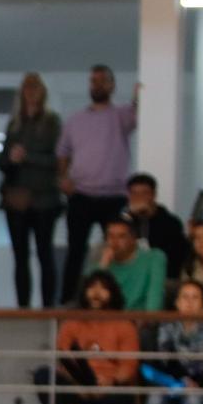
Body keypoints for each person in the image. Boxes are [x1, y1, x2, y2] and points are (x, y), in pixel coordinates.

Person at [34, 268, 138, 404]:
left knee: (118, 400)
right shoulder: (72, 323)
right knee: (43, 375)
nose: (97, 293)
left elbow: (129, 367)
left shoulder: (124, 325)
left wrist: (109, 381)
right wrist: (79, 383)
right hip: (78, 383)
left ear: (113, 293)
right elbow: (63, 361)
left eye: (103, 288)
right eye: (92, 287)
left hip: (111, 387)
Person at [57, 66, 138, 302]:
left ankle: (112, 300)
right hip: (81, 195)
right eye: (93, 80)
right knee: (75, 253)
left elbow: (141, 109)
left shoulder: (121, 116)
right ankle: (68, 304)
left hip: (114, 197)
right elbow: (62, 153)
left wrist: (140, 95)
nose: (97, 85)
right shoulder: (75, 121)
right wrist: (63, 178)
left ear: (112, 86)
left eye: (103, 81)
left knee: (116, 251)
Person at [0, 70, 63, 308]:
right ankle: (23, 307)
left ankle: (48, 306)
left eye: (35, 87)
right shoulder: (14, 124)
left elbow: (57, 160)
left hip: (44, 199)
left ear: (43, 92)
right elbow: (2, 162)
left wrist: (28, 157)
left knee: (45, 254)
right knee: (20, 257)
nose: (31, 91)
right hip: (17, 199)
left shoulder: (52, 122)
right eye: (27, 87)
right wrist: (12, 159)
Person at [121, 173, 187, 277]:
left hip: (162, 276)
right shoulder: (123, 222)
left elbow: (175, 258)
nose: (139, 198)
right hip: (130, 275)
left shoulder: (171, 223)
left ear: (154, 195)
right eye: (134, 193)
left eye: (144, 193)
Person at [98, 216, 167, 311]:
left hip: (140, 322)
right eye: (110, 236)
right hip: (107, 322)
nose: (114, 242)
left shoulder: (154, 258)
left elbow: (153, 305)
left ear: (133, 239)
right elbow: (91, 306)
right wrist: (102, 268)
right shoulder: (101, 265)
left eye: (121, 236)